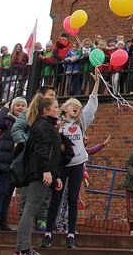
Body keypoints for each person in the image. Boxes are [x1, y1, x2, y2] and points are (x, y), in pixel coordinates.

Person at [40, 73, 100, 250]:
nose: (77, 108)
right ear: (65, 108)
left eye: (78, 106)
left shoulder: (81, 122)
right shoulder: (57, 123)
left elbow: (92, 105)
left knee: (73, 199)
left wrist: (96, 84)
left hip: (77, 164)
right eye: (74, 105)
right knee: (55, 198)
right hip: (61, 165)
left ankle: (71, 235)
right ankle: (48, 234)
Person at [15, 96, 64, 255]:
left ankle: (20, 249)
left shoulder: (47, 126)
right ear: (46, 110)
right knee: (30, 210)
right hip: (39, 174)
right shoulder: (42, 126)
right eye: (56, 107)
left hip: (43, 172)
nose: (58, 109)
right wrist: (46, 171)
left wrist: (56, 174)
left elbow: (54, 154)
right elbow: (42, 151)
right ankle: (24, 248)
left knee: (30, 209)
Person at [12, 85, 58, 233]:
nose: (53, 98)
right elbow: (17, 129)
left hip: (43, 160)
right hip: (32, 161)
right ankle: (23, 234)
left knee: (43, 195)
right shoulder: (31, 114)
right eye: (50, 96)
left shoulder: (49, 121)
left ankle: (41, 221)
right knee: (28, 197)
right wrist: (28, 144)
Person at [0, 97, 28, 231]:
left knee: (9, 193)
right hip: (3, 160)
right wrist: (4, 108)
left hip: (15, 162)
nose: (21, 108)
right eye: (18, 105)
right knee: (1, 190)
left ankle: (2, 220)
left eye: (23, 106)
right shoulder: (7, 120)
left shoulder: (25, 124)